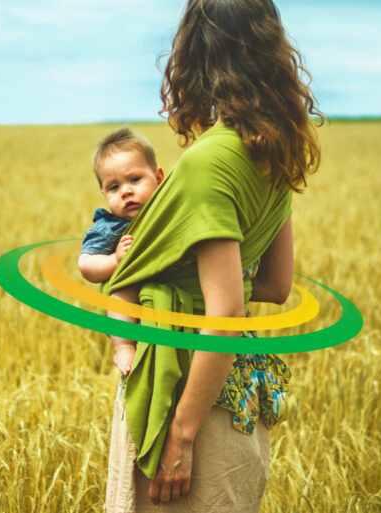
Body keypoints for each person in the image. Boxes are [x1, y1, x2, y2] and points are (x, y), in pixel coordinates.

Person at [103, 0, 323, 511]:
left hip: (184, 393)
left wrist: (179, 436)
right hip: (236, 393)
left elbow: (221, 315)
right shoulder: (273, 150)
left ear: (196, 53)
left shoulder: (206, 163)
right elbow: (273, 286)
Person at [79, 127, 165, 376]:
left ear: (158, 177)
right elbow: (86, 265)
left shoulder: (168, 213)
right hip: (136, 286)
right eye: (114, 187)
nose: (126, 191)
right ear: (104, 194)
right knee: (121, 292)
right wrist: (115, 260)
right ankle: (124, 345)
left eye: (135, 180)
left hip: (174, 288)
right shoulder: (109, 227)